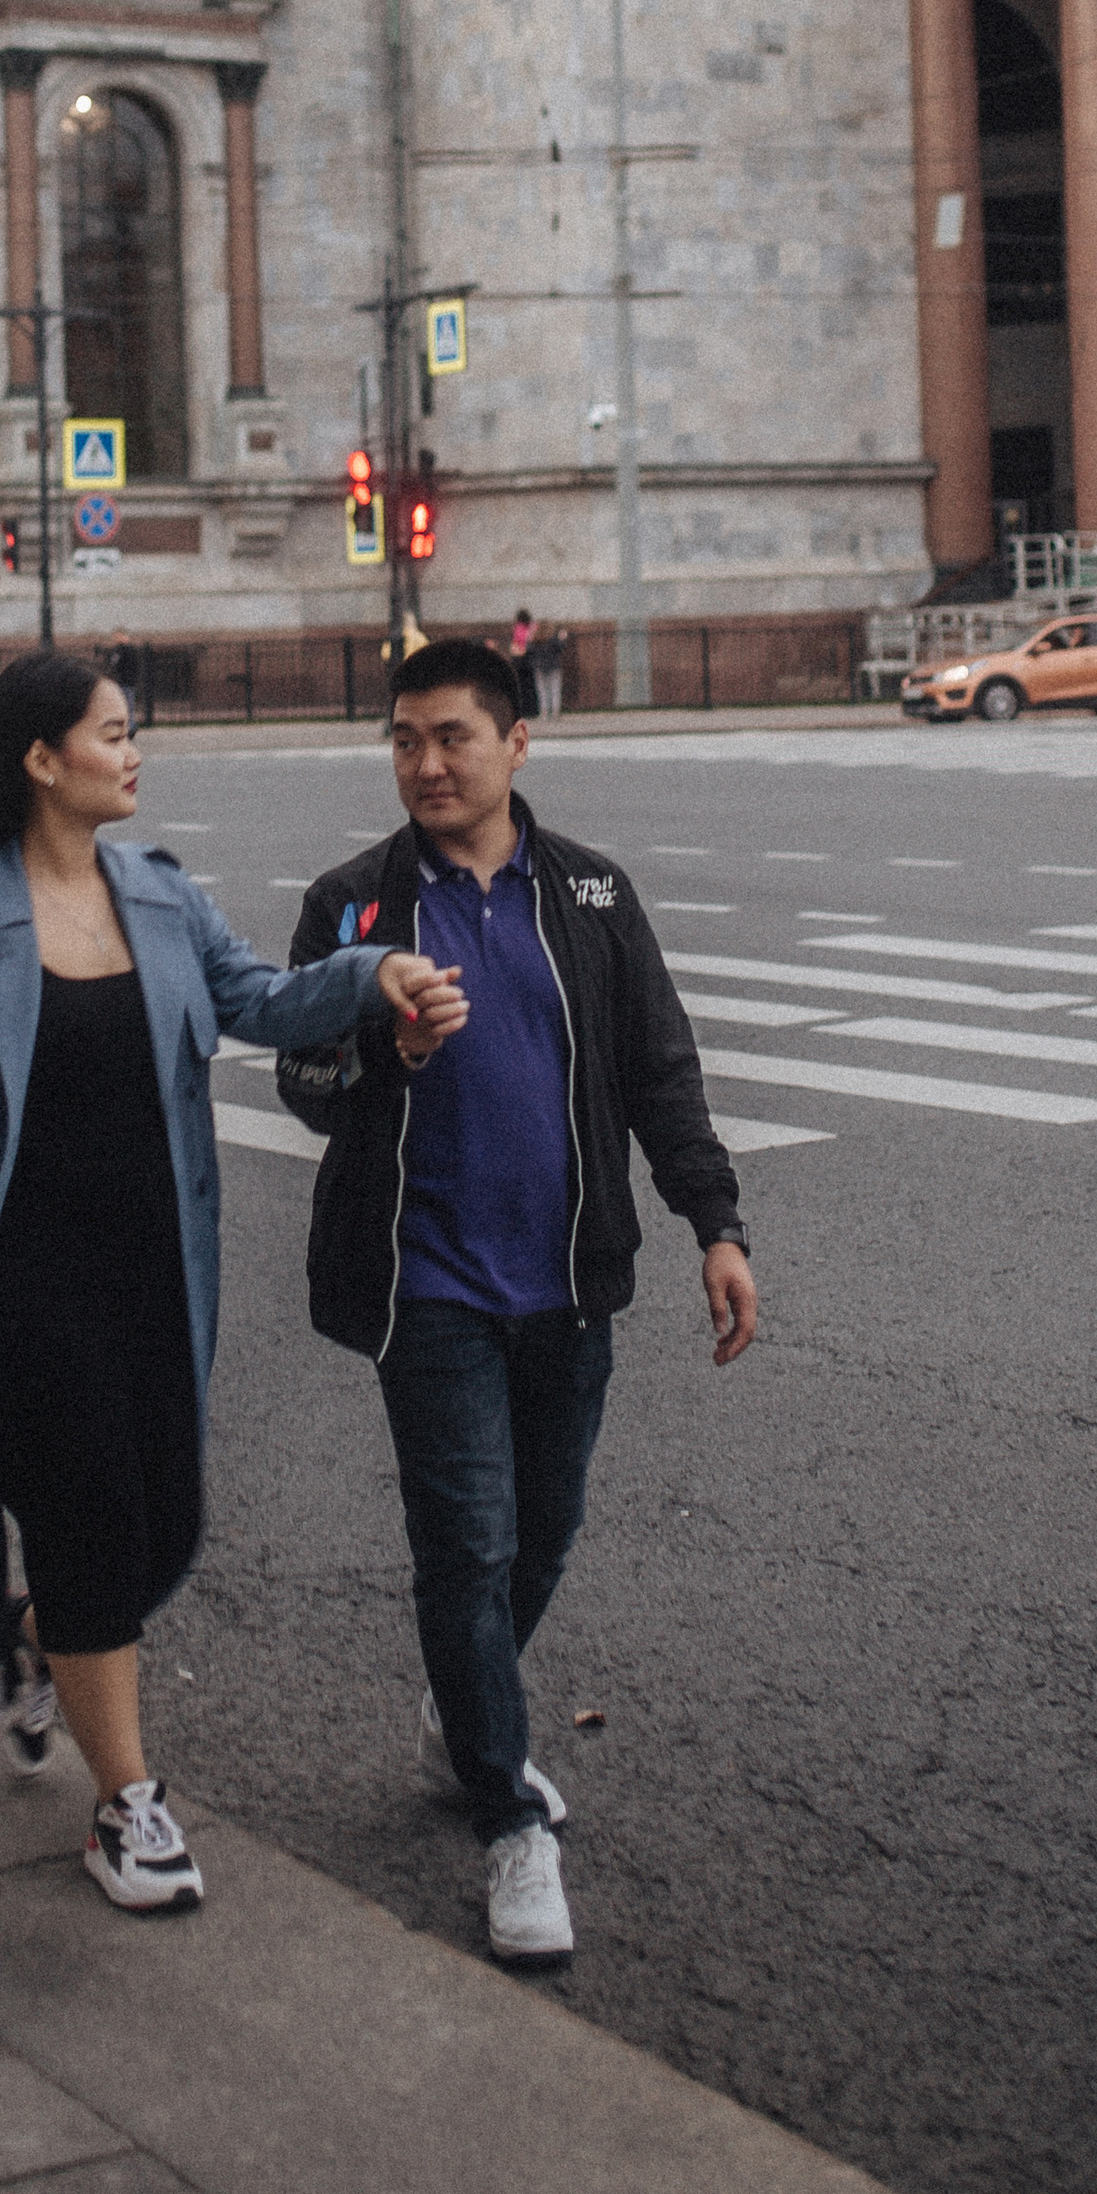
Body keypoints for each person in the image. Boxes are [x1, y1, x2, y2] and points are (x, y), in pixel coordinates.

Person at [0, 651, 466, 1916]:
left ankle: (33, 1634)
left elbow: (257, 1002)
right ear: (44, 761)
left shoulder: (156, 894)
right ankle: (127, 1804)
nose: (133, 749)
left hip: (158, 1265)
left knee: (161, 1516)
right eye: (113, 732)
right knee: (97, 1516)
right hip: (27, 1280)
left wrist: (369, 980)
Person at [281, 637, 757, 1966]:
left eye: (453, 737)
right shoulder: (354, 906)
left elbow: (660, 1067)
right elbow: (300, 1081)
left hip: (565, 1276)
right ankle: (507, 1818)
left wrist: (714, 1221)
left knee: (545, 1530)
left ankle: (467, 1705)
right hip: (423, 1279)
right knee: (469, 1545)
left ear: (516, 744)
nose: (426, 763)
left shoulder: (592, 894)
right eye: (404, 740)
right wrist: (381, 1041)